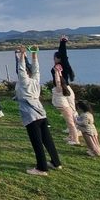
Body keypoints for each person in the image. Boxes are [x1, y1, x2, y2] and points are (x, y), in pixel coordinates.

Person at [14, 47, 62, 176]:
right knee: (47, 139)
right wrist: (34, 54)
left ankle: (42, 168)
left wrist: (23, 55)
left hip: (31, 116)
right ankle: (56, 162)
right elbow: (36, 69)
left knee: (37, 143)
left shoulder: (24, 82)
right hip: (41, 113)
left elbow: (21, 69)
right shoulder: (35, 80)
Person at [52, 36, 80, 145]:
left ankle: (75, 135)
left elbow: (63, 54)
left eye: (54, 57)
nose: (53, 59)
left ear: (58, 58)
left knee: (70, 114)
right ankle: (72, 134)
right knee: (70, 113)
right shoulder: (58, 66)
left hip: (64, 91)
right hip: (65, 90)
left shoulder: (63, 64)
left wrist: (62, 43)